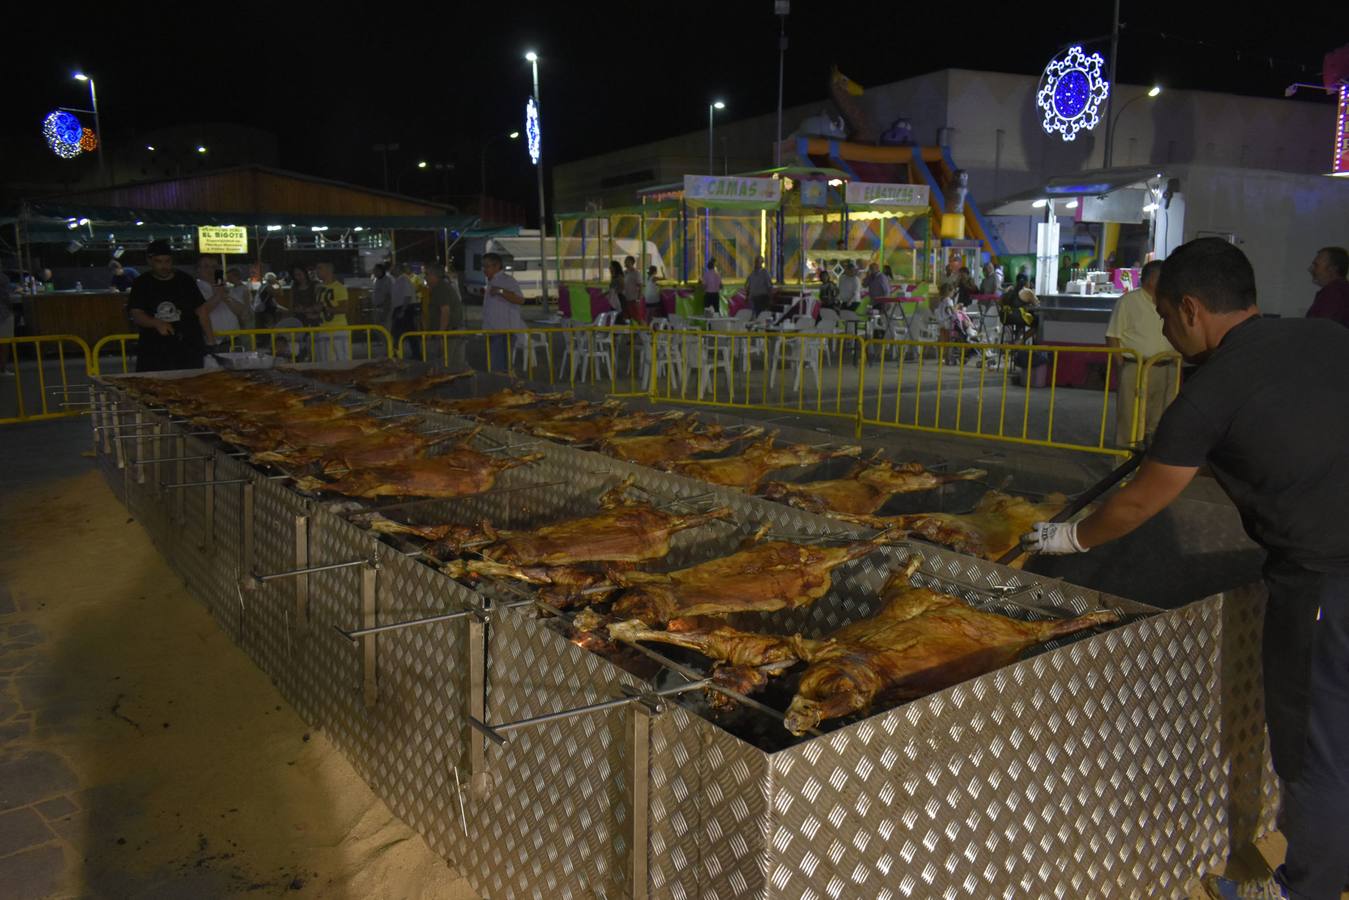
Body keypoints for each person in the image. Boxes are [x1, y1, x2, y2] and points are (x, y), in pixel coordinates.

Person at [1020, 238, 1349, 900]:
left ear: (1191, 309)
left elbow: (1140, 500)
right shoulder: (1326, 339)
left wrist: (1068, 539)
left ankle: (1303, 888)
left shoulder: (1211, 391)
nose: (1167, 333)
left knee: (1313, 752)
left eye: (1166, 318)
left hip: (1324, 583)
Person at [1105, 260, 1174, 447]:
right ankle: (1124, 462)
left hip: (1166, 368)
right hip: (1136, 367)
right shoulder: (1129, 301)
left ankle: (1149, 463)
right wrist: (1121, 365)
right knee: (1130, 416)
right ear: (1151, 279)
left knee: (1159, 419)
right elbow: (1113, 336)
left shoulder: (1168, 302)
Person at [127, 240, 214, 372]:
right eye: (159, 261)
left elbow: (202, 311)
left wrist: (211, 341)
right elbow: (136, 313)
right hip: (155, 348)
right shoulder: (142, 283)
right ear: (150, 261)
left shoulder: (185, 280)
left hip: (188, 346)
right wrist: (155, 323)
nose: (164, 266)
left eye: (167, 261)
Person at [481, 251, 525, 372]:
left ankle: (505, 389)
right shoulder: (491, 281)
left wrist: (501, 291)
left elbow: (520, 300)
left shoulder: (507, 280)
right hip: (493, 330)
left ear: (496, 266)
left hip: (504, 331)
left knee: (499, 368)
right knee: (496, 367)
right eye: (483, 266)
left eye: (487, 266)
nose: (484, 269)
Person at [426, 263, 465, 369]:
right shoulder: (442, 286)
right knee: (456, 365)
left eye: (427, 274)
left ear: (434, 275)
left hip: (449, 333)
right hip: (453, 331)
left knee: (445, 365)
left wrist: (440, 333)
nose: (426, 277)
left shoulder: (440, 288)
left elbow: (445, 310)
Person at [196, 256, 243, 338]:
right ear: (198, 269)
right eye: (206, 266)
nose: (211, 270)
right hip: (211, 340)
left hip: (234, 339)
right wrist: (218, 296)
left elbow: (241, 311)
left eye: (214, 267)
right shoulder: (195, 289)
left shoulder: (226, 288)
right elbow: (201, 312)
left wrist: (225, 296)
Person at [1305, 246, 1349, 327]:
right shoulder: (1342, 290)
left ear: (1332, 269)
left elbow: (1321, 328)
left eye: (1316, 265)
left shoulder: (1333, 292)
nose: (1311, 269)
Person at [314, 262, 349, 361]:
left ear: (329, 271)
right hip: (323, 329)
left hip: (338, 330)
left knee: (342, 361)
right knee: (326, 361)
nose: (317, 271)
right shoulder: (318, 288)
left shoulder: (339, 287)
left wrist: (325, 309)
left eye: (320, 268)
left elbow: (344, 308)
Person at [371, 263, 394, 332]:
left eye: (375, 271)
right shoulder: (376, 280)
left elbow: (389, 296)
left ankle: (388, 342)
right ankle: (383, 343)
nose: (373, 272)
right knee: (378, 329)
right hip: (377, 308)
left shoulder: (388, 280)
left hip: (385, 308)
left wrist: (385, 311)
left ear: (380, 270)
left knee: (386, 328)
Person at [0, 270, 13, 375]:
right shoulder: (3, 277)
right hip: (3, 313)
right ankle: (2, 369)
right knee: (4, 343)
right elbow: (6, 296)